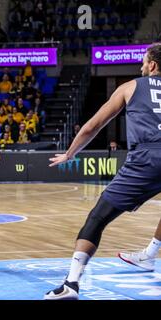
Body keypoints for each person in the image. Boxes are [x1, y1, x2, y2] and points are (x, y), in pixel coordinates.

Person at [44, 44, 161, 300]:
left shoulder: (131, 86)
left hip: (147, 158)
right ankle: (150, 254)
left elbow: (92, 126)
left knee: (97, 218)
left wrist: (70, 153)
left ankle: (71, 284)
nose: (141, 67)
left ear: (152, 65)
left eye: (143, 62)